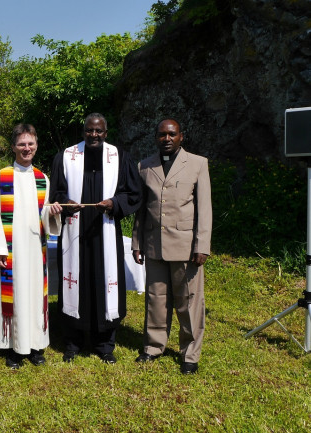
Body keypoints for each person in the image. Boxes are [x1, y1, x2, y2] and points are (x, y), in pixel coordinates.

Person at [49, 113, 142, 364]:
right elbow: (54, 192)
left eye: (99, 131)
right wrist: (66, 203)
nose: (94, 135)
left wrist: (114, 203)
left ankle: (105, 344)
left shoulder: (119, 157)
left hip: (106, 230)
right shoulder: (66, 157)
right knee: (74, 282)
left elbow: (132, 194)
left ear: (106, 132)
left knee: (105, 282)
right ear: (83, 131)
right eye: (90, 130)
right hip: (74, 231)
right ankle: (72, 343)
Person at [131, 118, 212, 374]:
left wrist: (202, 245)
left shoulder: (198, 164)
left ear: (181, 136)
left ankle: (190, 353)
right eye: (162, 135)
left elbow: (204, 208)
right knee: (156, 300)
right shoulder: (145, 166)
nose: (166, 139)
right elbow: (141, 211)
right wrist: (137, 242)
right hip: (154, 244)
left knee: (188, 301)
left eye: (172, 134)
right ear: (155, 138)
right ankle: (153, 347)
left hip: (186, 247)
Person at [0, 124, 61, 369]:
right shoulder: (0, 177)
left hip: (34, 249)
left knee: (34, 296)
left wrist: (52, 212)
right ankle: (14, 348)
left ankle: (36, 345)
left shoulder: (42, 178)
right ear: (13, 147)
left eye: (30, 144)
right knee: (15, 295)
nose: (26, 148)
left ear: (36, 145)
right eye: (21, 144)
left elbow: (42, 216)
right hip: (11, 250)